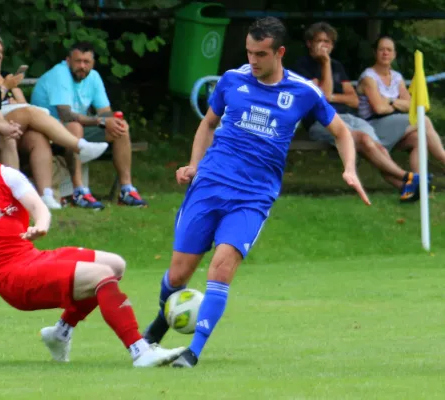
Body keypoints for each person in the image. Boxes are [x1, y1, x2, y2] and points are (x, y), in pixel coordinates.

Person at [142, 17, 370, 368]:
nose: (253, 60)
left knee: (221, 268)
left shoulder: (302, 92)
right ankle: (157, 329)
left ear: (279, 52)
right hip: (209, 186)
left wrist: (350, 169)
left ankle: (193, 352)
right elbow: (207, 124)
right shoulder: (232, 81)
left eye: (260, 54)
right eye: (249, 52)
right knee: (178, 275)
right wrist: (194, 164)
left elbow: (341, 132)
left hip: (252, 198)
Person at [0, 121, 185, 367]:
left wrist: (41, 224)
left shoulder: (4, 175)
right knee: (99, 276)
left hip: (33, 257)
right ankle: (140, 351)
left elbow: (38, 206)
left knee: (115, 265)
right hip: (12, 279)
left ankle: (60, 332)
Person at [0, 31, 109, 209]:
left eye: (0, 55)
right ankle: (78, 145)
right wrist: (3, 123)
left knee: (36, 138)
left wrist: (7, 127)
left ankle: (44, 194)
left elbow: (0, 114)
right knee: (29, 114)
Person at [293, 22, 420, 202]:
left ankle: (406, 188)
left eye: (327, 42)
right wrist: (326, 64)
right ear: (309, 43)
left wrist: (333, 96)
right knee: (364, 140)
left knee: (378, 148)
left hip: (349, 117)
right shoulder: (302, 67)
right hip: (321, 122)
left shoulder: (338, 66)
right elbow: (325, 96)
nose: (324, 45)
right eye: (319, 41)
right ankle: (409, 177)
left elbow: (352, 99)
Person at [31, 41, 147, 210]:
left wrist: (112, 121)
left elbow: (105, 111)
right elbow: (65, 114)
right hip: (46, 134)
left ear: (93, 63)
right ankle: (79, 191)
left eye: (87, 62)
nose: (82, 66)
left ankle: (126, 189)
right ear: (68, 60)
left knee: (120, 127)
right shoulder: (60, 74)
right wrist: (100, 121)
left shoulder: (93, 77)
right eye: (78, 61)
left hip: (74, 132)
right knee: (74, 127)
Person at [357, 36, 445, 180]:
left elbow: (411, 105)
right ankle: (443, 158)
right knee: (424, 120)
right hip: (372, 127)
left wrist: (390, 101)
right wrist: (398, 104)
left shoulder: (397, 77)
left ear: (394, 54)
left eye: (389, 50)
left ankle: (419, 186)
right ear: (375, 53)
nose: (385, 53)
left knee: (418, 139)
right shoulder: (369, 77)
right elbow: (379, 109)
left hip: (394, 124)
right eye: (381, 50)